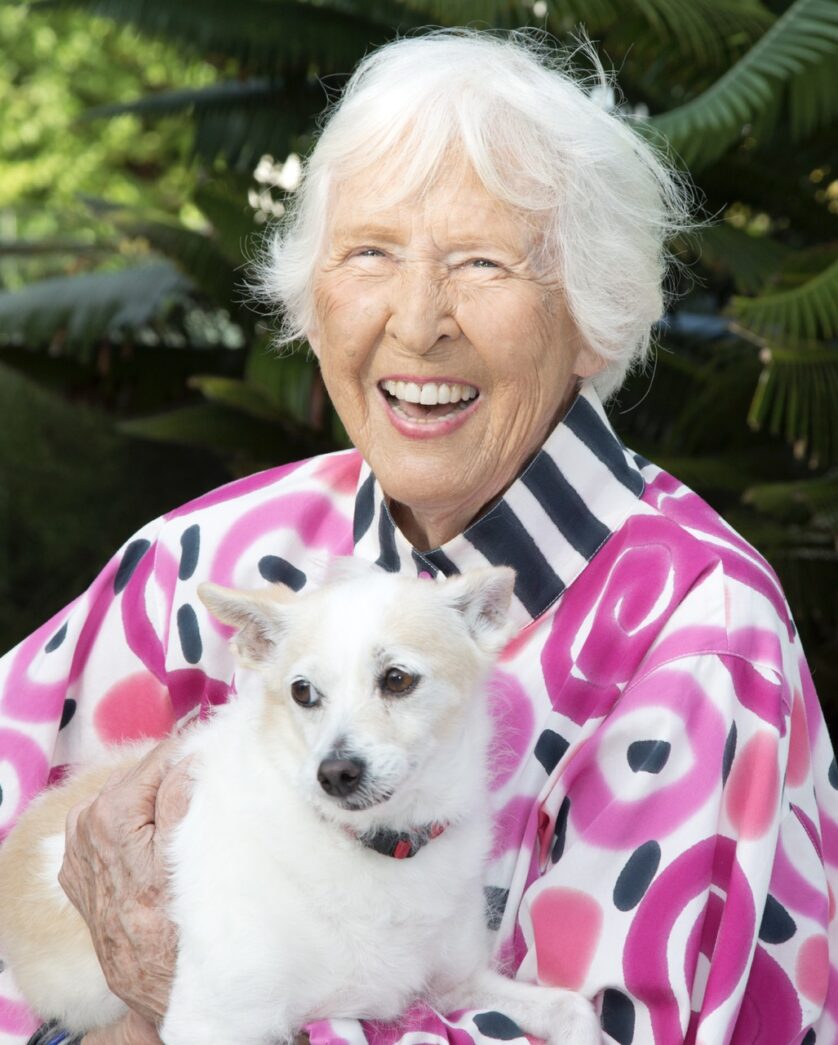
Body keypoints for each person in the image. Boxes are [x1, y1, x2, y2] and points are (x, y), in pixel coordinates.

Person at [1, 28, 836, 1045]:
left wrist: (166, 1005)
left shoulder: (701, 632)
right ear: (313, 300)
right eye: (368, 253)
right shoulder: (201, 559)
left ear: (594, 313)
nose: (415, 320)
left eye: (480, 262)